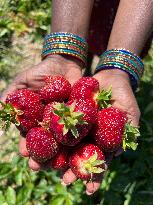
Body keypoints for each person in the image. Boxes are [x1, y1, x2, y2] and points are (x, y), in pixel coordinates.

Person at [1, 0, 153, 195]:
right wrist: (63, 54)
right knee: (93, 32)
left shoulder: (73, 119)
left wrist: (119, 69)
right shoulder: (72, 118)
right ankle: (82, 61)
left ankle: (92, 64)